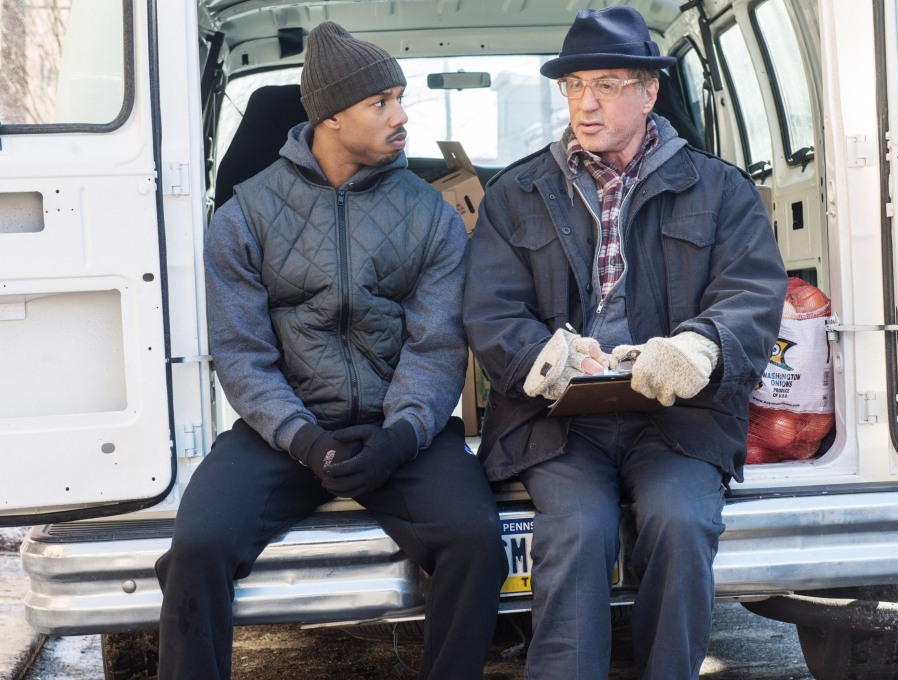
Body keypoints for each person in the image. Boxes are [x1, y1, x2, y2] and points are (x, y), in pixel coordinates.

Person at [155, 21, 507, 680]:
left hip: (399, 435)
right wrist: (304, 440)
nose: (402, 116)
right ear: (332, 115)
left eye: (400, 97)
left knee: (476, 540)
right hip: (282, 436)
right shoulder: (244, 218)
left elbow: (437, 345)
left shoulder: (428, 216)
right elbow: (241, 354)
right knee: (197, 545)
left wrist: (401, 436)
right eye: (382, 103)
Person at [463, 6, 788, 680]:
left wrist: (699, 351)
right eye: (575, 85)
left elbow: (752, 295)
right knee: (577, 531)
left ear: (649, 91)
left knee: (679, 523)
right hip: (558, 424)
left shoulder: (722, 189)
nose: (587, 102)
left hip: (677, 419)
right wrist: (544, 359)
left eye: (607, 84)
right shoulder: (513, 194)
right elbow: (490, 310)